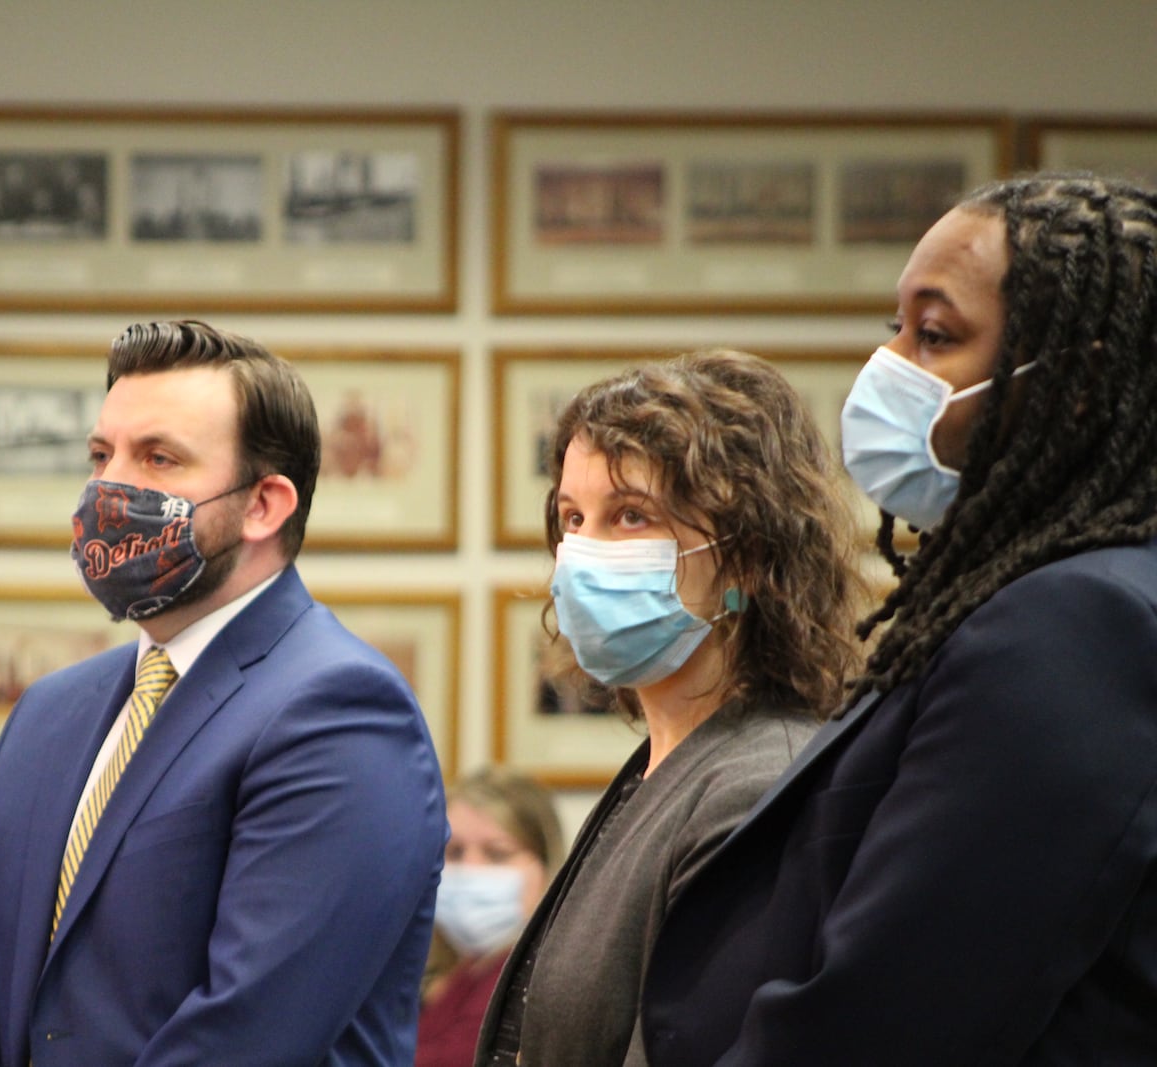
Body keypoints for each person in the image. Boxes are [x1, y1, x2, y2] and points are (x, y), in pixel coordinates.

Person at [639, 174, 1157, 1065]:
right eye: (897, 331)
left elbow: (892, 1014)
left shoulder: (1074, 623)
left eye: (937, 335)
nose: (890, 369)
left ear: (1075, 383)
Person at [0, 320, 448, 1066]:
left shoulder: (339, 709)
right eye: (102, 455)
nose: (110, 487)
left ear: (264, 504)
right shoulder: (49, 710)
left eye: (158, 458)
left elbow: (249, 1032)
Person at [475, 349, 866, 1066]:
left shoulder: (757, 782)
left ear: (745, 558)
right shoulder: (667, 760)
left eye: (631, 516)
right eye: (572, 517)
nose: (583, 552)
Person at [417, 768, 564, 1067]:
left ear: (547, 867)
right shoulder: (464, 970)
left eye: (497, 854)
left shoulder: (536, 984)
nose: (472, 869)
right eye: (455, 853)